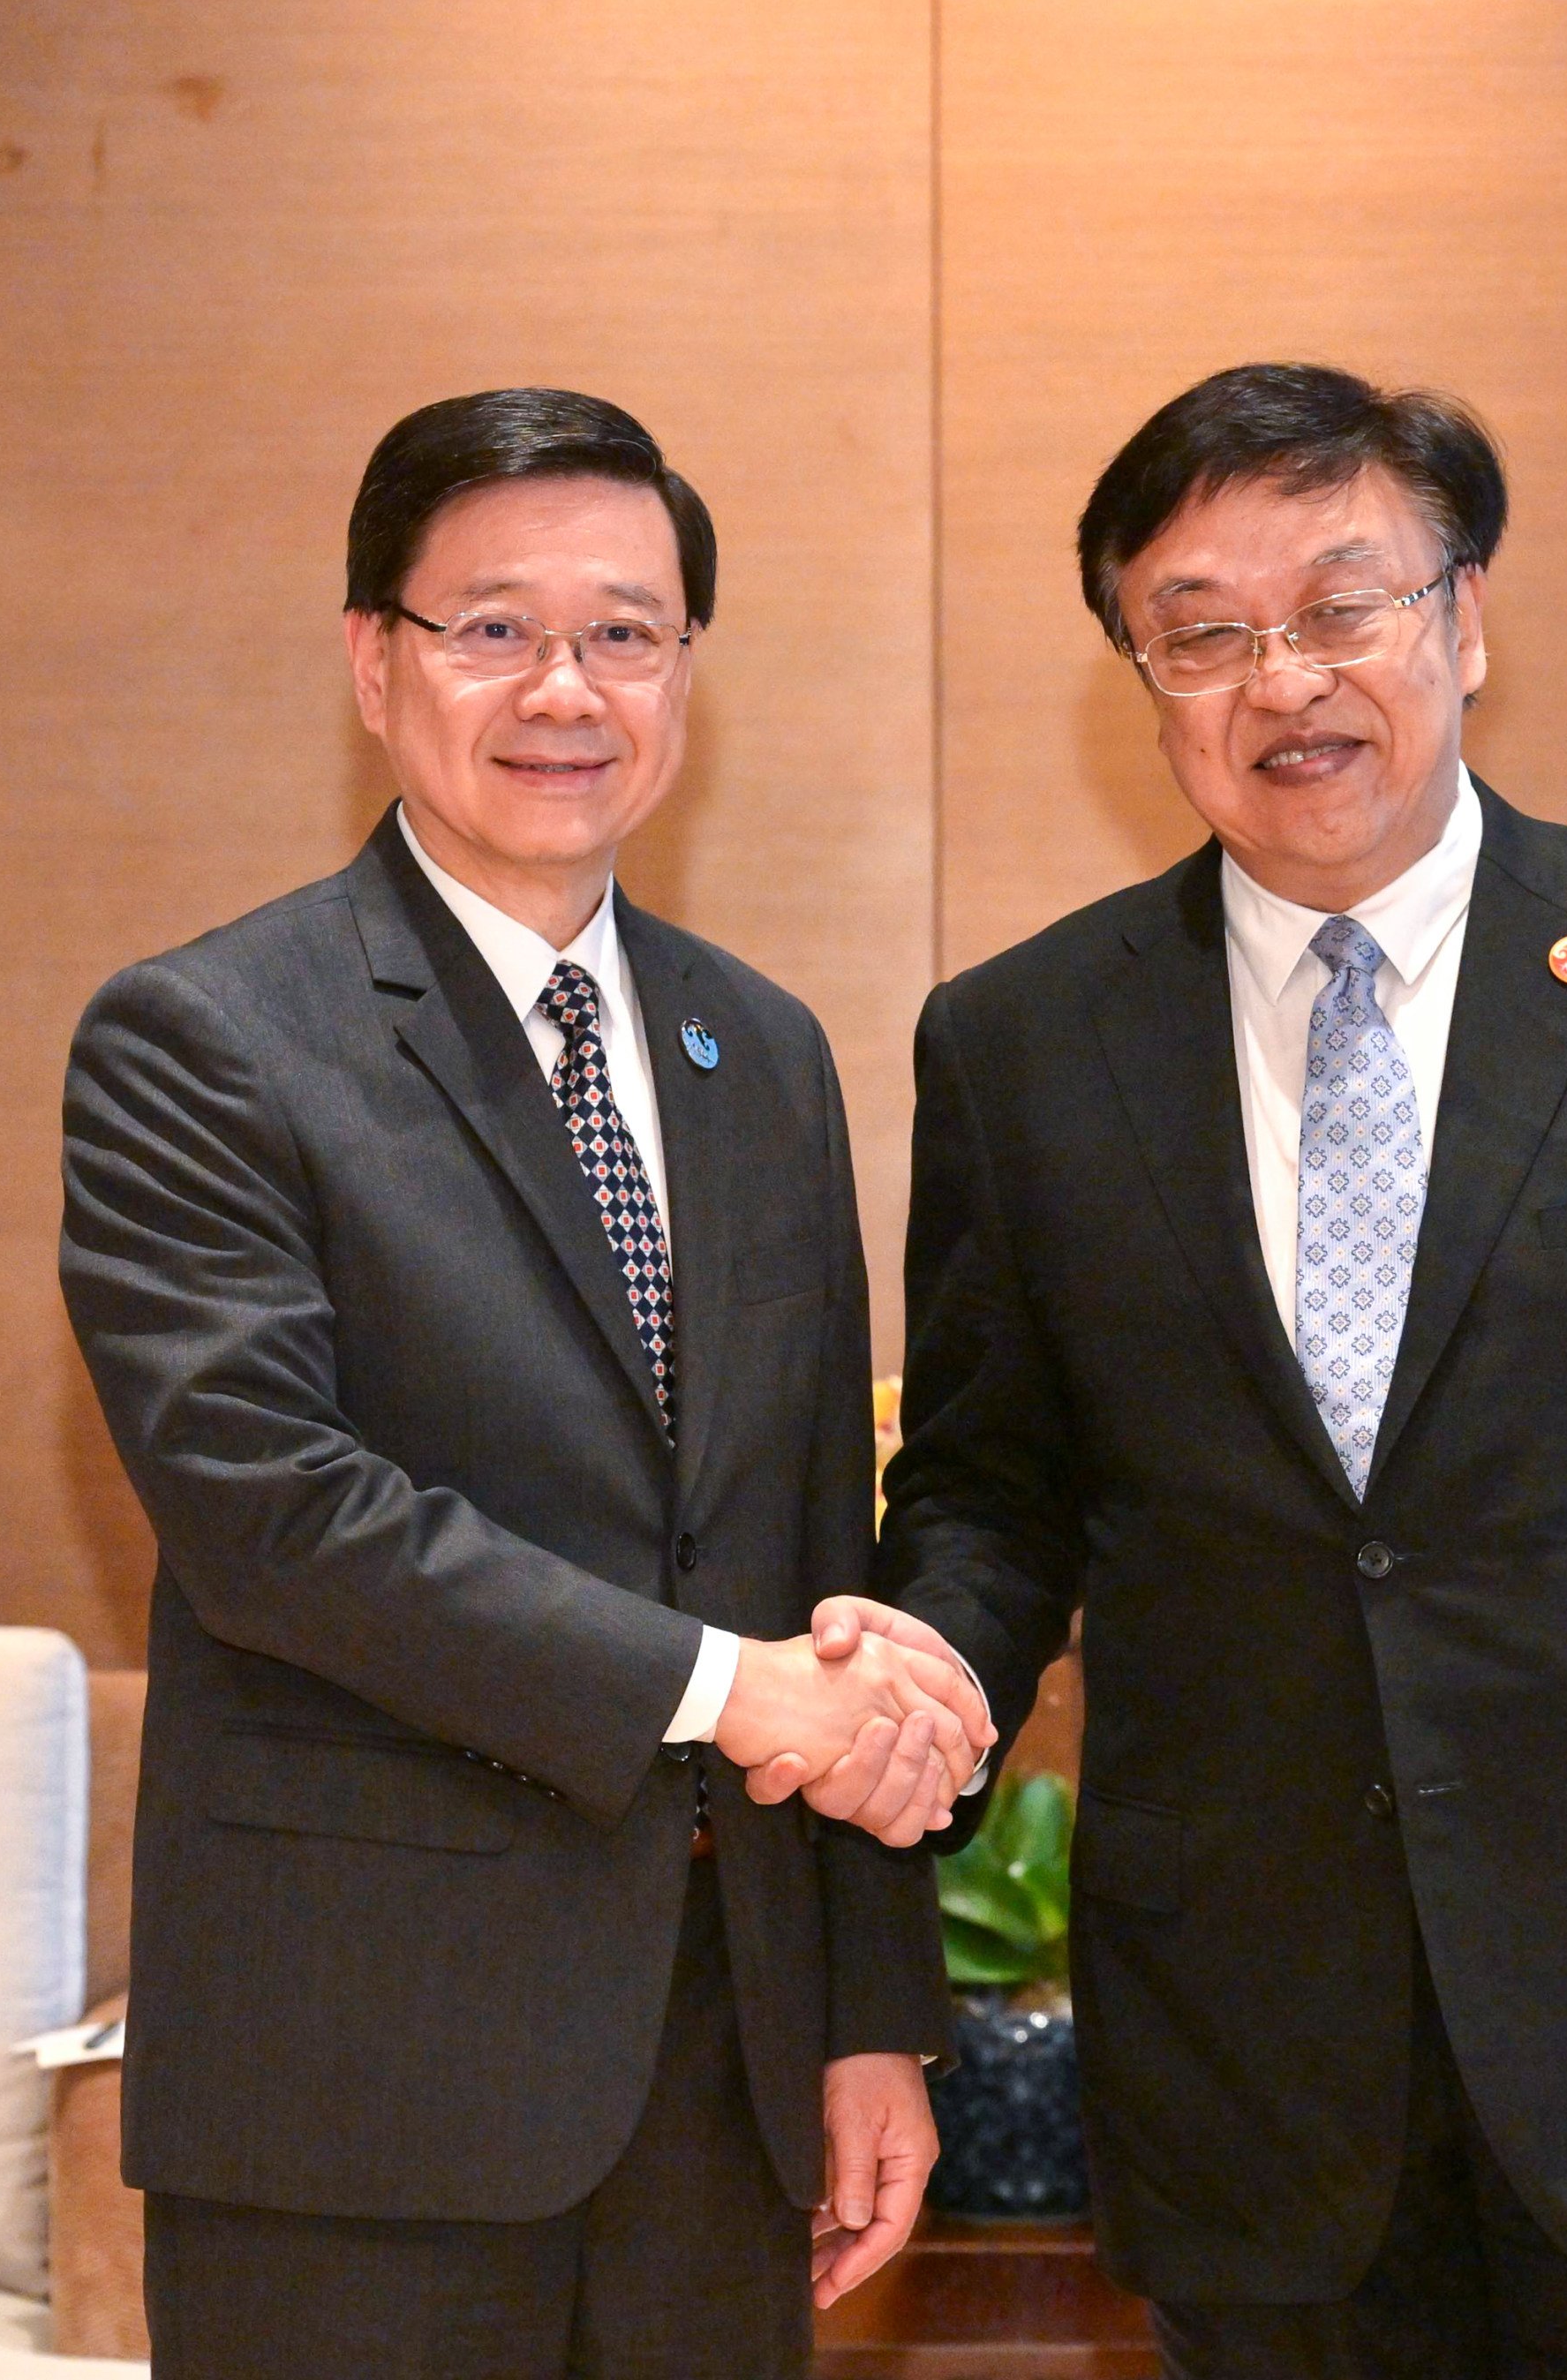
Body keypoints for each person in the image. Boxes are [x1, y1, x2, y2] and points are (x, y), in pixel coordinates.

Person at [774, 363, 1567, 2377]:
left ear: (1465, 621)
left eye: (1344, 607)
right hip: (1247, 2051)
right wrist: (919, 1678)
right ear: (1138, 681)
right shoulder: (1023, 1042)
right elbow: (994, 1491)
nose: (1285, 683)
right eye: (1204, 633)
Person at [59, 387, 995, 2380]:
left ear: (684, 674)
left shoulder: (765, 1051)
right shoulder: (207, 1040)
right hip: (358, 2080)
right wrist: (725, 1690)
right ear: (370, 664)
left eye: (625, 633)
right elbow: (272, 1513)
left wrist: (861, 2015)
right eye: (492, 627)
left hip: (717, 2075)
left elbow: (817, 1540)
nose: (564, 688)